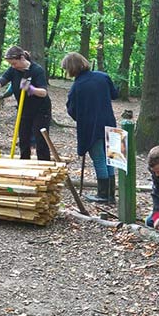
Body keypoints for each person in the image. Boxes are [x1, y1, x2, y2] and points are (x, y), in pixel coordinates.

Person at [63, 52, 119, 203]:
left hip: (91, 127)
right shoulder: (103, 77)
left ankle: (103, 195)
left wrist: (82, 117)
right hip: (108, 122)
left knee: (99, 159)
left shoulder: (77, 86)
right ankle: (110, 194)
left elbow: (71, 109)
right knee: (110, 159)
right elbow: (114, 94)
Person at [0, 46, 51, 160]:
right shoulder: (13, 70)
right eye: (11, 64)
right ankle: (24, 164)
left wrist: (30, 89)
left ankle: (44, 165)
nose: (13, 66)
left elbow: (44, 92)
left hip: (41, 110)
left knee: (40, 139)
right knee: (23, 139)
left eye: (14, 63)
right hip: (24, 109)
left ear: (22, 58)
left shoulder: (36, 70)